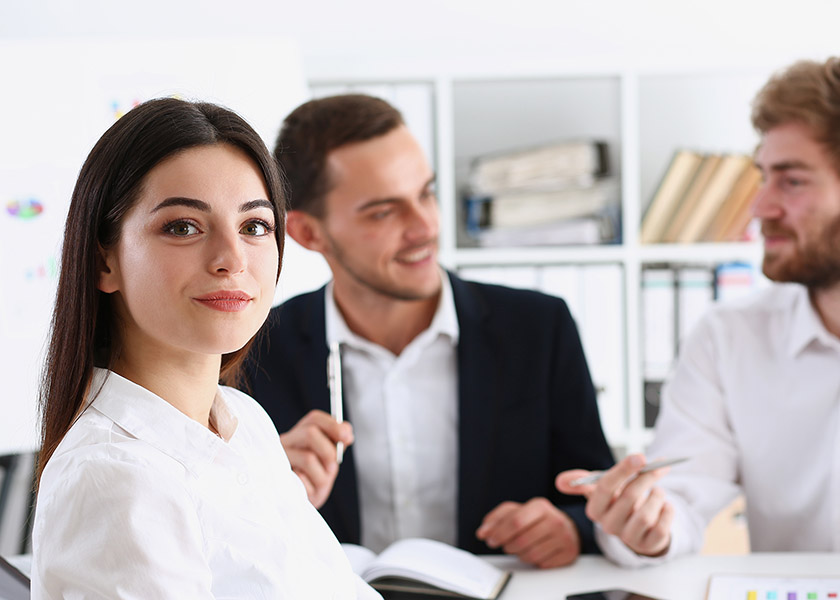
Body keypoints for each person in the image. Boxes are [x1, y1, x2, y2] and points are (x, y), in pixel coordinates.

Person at [243, 93, 614, 568]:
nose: (424, 227)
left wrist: (571, 527)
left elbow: (596, 494)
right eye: (383, 212)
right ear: (309, 234)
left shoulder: (539, 329)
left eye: (426, 193)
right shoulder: (252, 351)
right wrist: (263, 488)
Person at [31, 98, 380, 598]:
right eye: (182, 227)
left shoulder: (245, 423)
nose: (231, 258)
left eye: (254, 226)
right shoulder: (113, 477)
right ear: (104, 262)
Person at [556, 57, 840, 565]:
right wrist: (647, 525)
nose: (759, 208)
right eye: (763, 177)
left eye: (791, 181)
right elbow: (681, 498)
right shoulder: (730, 336)